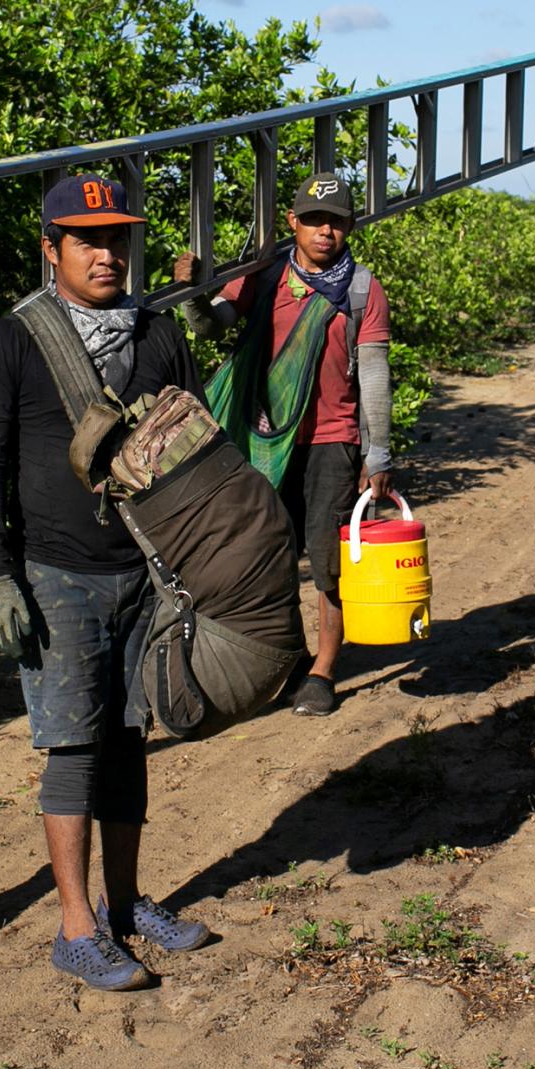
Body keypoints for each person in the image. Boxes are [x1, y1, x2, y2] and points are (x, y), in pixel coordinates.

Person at [0, 173, 212, 990]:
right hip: (57, 575)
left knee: (129, 740)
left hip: (142, 569)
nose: (107, 254)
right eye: (86, 240)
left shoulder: (157, 332)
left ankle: (126, 903)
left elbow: (195, 449)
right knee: (72, 748)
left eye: (116, 239)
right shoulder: (12, 341)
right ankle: (76, 930)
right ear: (51, 249)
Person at [171, 171, 394, 718]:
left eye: (336, 221)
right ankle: (289, 654)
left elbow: (373, 376)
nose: (325, 231)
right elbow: (212, 325)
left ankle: (321, 669)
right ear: (292, 223)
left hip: (331, 442)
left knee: (326, 557)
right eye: (314, 220)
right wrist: (193, 291)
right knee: (268, 552)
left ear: (350, 227)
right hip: (262, 439)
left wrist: (379, 453)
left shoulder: (362, 290)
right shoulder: (265, 276)